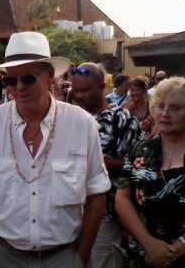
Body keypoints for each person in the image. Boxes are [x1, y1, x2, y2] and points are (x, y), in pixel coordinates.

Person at [0, 31, 111, 268]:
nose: (18, 87)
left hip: (63, 257)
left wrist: (81, 255)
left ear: (50, 76)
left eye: (27, 78)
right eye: (11, 80)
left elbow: (96, 192)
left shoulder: (82, 124)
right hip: (3, 255)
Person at [115, 76, 185, 268]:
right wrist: (148, 244)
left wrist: (177, 249)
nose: (165, 113)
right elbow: (122, 199)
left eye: (175, 108)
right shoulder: (140, 149)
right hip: (142, 256)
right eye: (161, 106)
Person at [69, 63, 142, 268]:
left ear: (102, 87)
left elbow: (136, 164)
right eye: (75, 90)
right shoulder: (70, 118)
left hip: (105, 214)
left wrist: (90, 164)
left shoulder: (123, 119)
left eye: (85, 90)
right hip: (68, 209)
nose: (79, 96)